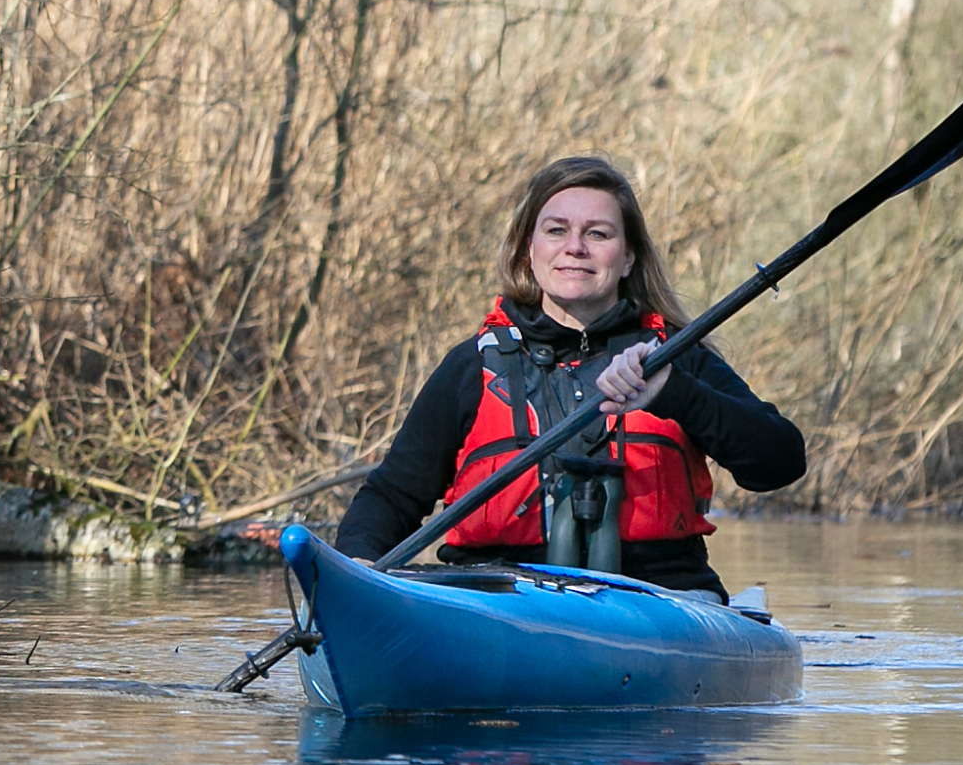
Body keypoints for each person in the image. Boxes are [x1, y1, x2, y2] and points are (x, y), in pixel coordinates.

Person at [335, 154, 804, 599]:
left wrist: (677, 395)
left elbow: (780, 463)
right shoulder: (471, 367)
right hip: (497, 601)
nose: (574, 247)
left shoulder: (677, 360)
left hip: (659, 601)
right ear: (528, 253)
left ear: (627, 259)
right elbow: (393, 497)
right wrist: (355, 572)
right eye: (556, 231)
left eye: (598, 234)